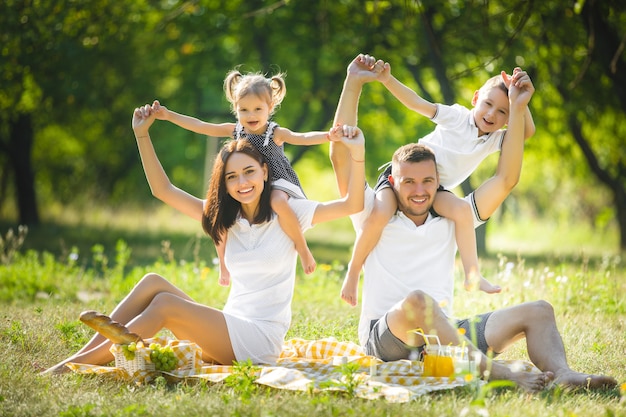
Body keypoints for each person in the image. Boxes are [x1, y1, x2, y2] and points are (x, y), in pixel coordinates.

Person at [330, 54, 617, 391]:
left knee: (539, 310)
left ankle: (565, 375)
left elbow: (506, 178)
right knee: (420, 302)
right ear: (392, 181)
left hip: (447, 341)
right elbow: (341, 157)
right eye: (408, 182)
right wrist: (353, 81)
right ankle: (504, 375)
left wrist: (519, 105)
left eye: (428, 181)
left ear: (439, 180)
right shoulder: (372, 212)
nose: (420, 191)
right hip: (388, 339)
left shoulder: (455, 214)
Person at [41, 103, 366, 374]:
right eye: (232, 177)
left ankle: (71, 368)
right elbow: (162, 190)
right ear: (224, 184)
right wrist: (142, 134)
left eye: (250, 172)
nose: (243, 182)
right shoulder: (224, 219)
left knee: (166, 305)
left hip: (259, 339)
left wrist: (356, 153)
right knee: (154, 282)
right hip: (228, 324)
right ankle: (83, 356)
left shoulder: (290, 212)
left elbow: (352, 204)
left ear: (265, 172)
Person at [341, 60, 537, 307]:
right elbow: (418, 104)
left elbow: (525, 133)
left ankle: (472, 275)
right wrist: (387, 80)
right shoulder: (457, 117)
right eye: (488, 104)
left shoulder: (493, 138)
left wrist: (519, 103)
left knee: (463, 211)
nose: (491, 115)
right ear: (475, 98)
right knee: (380, 214)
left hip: (435, 188)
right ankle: (353, 272)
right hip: (403, 179)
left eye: (502, 112)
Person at [152, 69, 333, 286]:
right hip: (248, 185)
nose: (251, 115)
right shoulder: (236, 131)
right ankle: (223, 264)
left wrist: (329, 136)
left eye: (258, 109)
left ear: (270, 107)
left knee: (277, 202)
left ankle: (303, 249)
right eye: (244, 110)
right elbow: (201, 126)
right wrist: (168, 115)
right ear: (235, 109)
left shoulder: (274, 132)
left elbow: (302, 137)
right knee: (218, 214)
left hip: (276, 181)